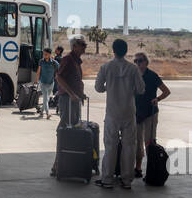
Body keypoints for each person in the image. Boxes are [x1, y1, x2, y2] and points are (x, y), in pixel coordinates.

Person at [95, 38, 144, 188]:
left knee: (110, 146)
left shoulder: (106, 67)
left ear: (113, 50)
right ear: (126, 51)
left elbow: (98, 87)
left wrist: (107, 88)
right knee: (129, 146)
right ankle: (127, 180)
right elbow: (141, 89)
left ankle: (108, 179)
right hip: (129, 112)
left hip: (112, 113)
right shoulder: (133, 69)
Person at [49, 36, 88, 178]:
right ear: (74, 46)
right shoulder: (68, 60)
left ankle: (64, 163)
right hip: (68, 100)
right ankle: (56, 165)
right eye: (82, 44)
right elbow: (59, 77)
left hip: (74, 100)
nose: (85, 47)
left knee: (72, 130)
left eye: (85, 44)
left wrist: (80, 94)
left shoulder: (77, 61)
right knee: (65, 130)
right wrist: (71, 94)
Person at [132, 52, 171, 176]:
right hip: (136, 114)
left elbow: (166, 91)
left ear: (146, 62)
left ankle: (151, 169)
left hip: (150, 113)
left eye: (140, 60)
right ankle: (138, 169)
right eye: (136, 61)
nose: (138, 63)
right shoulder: (133, 76)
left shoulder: (153, 76)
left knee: (149, 142)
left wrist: (157, 99)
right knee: (137, 143)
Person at [37, 46, 59, 120]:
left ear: (49, 54)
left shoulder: (54, 63)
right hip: (43, 82)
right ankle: (47, 113)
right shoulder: (41, 61)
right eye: (43, 54)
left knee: (46, 99)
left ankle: (41, 111)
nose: (44, 55)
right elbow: (39, 71)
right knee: (45, 98)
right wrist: (36, 80)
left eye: (46, 54)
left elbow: (59, 70)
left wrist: (57, 77)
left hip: (51, 83)